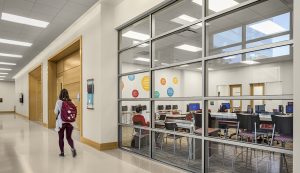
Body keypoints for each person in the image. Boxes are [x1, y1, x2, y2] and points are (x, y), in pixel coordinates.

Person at [54, 89, 77, 157]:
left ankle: (62, 152)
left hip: (61, 123)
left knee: (61, 138)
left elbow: (55, 112)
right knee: (69, 137)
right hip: (70, 123)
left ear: (60, 94)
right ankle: (73, 148)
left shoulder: (59, 102)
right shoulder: (72, 101)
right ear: (67, 94)